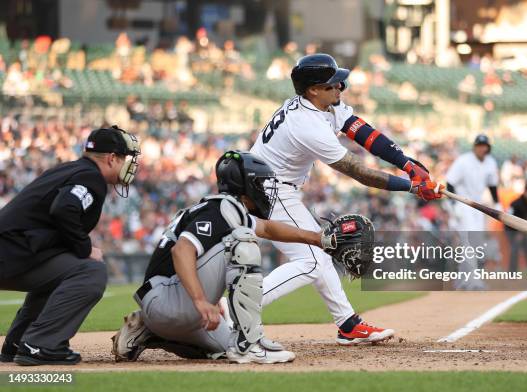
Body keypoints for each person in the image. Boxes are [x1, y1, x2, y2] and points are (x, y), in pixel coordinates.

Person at [250, 53, 444, 345]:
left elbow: (361, 130)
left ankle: (348, 324)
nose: (341, 87)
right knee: (314, 260)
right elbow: (357, 171)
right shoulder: (307, 124)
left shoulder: (320, 104)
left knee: (317, 257)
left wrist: (406, 163)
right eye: (334, 84)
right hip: (268, 190)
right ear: (314, 89)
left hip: (269, 186)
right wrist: (412, 187)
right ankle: (235, 311)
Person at [111, 151, 341, 364]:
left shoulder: (228, 210)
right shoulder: (222, 207)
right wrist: (201, 301)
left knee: (223, 349)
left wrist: (318, 239)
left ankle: (146, 332)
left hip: (172, 312)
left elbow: (269, 229)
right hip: (170, 299)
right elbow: (181, 250)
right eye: (260, 183)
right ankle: (249, 343)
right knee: (242, 241)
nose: (265, 189)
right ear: (246, 185)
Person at [0, 126, 140, 365]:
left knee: (64, 270)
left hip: (14, 252)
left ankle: (19, 342)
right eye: (125, 158)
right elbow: (64, 208)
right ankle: (40, 345)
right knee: (90, 270)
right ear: (111, 158)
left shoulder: (72, 169)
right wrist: (85, 248)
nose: (129, 164)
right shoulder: (90, 176)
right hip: (12, 253)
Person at [445, 134, 500, 289]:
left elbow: (493, 185)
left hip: (477, 206)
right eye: (479, 145)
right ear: (474, 147)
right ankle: (473, 280)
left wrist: (497, 203)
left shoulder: (490, 162)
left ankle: (463, 280)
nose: (482, 148)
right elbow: (450, 182)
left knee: (474, 244)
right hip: (462, 204)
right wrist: (453, 206)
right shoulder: (464, 160)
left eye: (484, 146)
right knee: (469, 243)